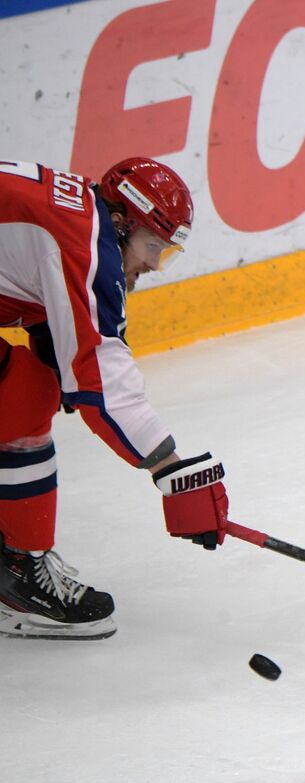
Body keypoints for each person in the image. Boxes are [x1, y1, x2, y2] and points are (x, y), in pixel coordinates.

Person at [0, 158, 231, 640]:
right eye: (152, 247)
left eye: (164, 253)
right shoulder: (86, 242)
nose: (152, 263)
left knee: (26, 389)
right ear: (123, 222)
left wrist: (52, 338)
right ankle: (19, 574)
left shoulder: (79, 213)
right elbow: (104, 382)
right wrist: (169, 468)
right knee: (20, 398)